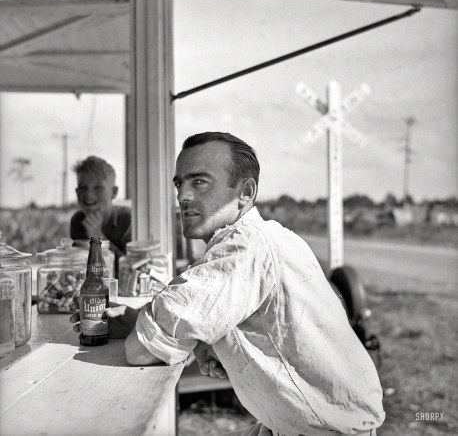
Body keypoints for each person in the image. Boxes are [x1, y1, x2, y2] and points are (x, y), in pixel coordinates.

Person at [71, 133, 385, 436]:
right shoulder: (268, 236)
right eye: (180, 184)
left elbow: (141, 351)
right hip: (295, 425)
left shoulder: (244, 244)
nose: (182, 196)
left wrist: (146, 326)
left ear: (245, 192)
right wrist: (183, 334)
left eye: (200, 182)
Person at [70, 156, 131, 276]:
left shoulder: (127, 219)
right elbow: (81, 269)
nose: (88, 194)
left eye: (98, 188)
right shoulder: (77, 221)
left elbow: (130, 272)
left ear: (114, 192)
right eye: (83, 188)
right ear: (77, 192)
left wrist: (98, 237)